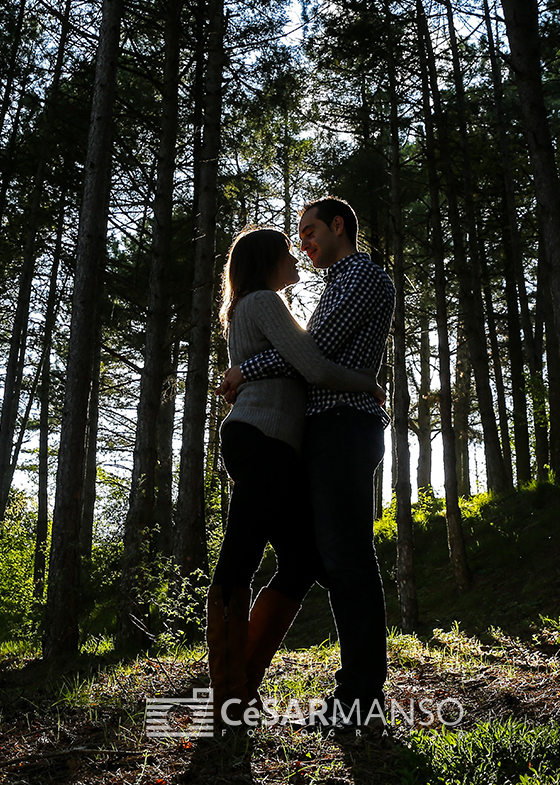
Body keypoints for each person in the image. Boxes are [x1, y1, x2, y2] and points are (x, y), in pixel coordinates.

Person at [217, 197, 394, 729]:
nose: (304, 242)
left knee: (345, 557)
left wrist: (244, 369)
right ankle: (239, 686)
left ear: (340, 225)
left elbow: (311, 356)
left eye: (311, 230)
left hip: (344, 423)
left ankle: (359, 701)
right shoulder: (335, 283)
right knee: (320, 557)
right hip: (320, 430)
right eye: (297, 235)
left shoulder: (360, 275)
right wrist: (247, 369)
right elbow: (306, 357)